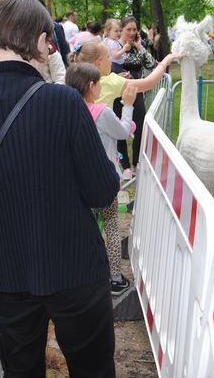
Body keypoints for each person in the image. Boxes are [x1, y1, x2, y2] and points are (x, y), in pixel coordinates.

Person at [0, 0, 119, 378]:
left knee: (20, 367)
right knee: (93, 368)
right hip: (74, 266)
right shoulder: (64, 102)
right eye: (50, 43)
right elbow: (102, 190)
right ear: (41, 42)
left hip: (3, 271)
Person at [65, 62, 136, 296]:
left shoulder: (66, 110)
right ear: (91, 86)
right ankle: (114, 277)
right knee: (112, 226)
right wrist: (127, 107)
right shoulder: (102, 112)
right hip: (103, 180)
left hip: (76, 180)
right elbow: (123, 132)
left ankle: (83, 272)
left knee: (84, 227)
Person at [117, 16, 157, 179]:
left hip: (137, 91)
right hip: (118, 92)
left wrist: (140, 47)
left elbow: (152, 65)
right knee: (118, 130)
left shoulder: (137, 48)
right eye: (129, 29)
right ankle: (124, 164)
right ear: (122, 30)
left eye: (135, 29)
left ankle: (136, 163)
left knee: (141, 127)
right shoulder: (115, 47)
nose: (132, 33)